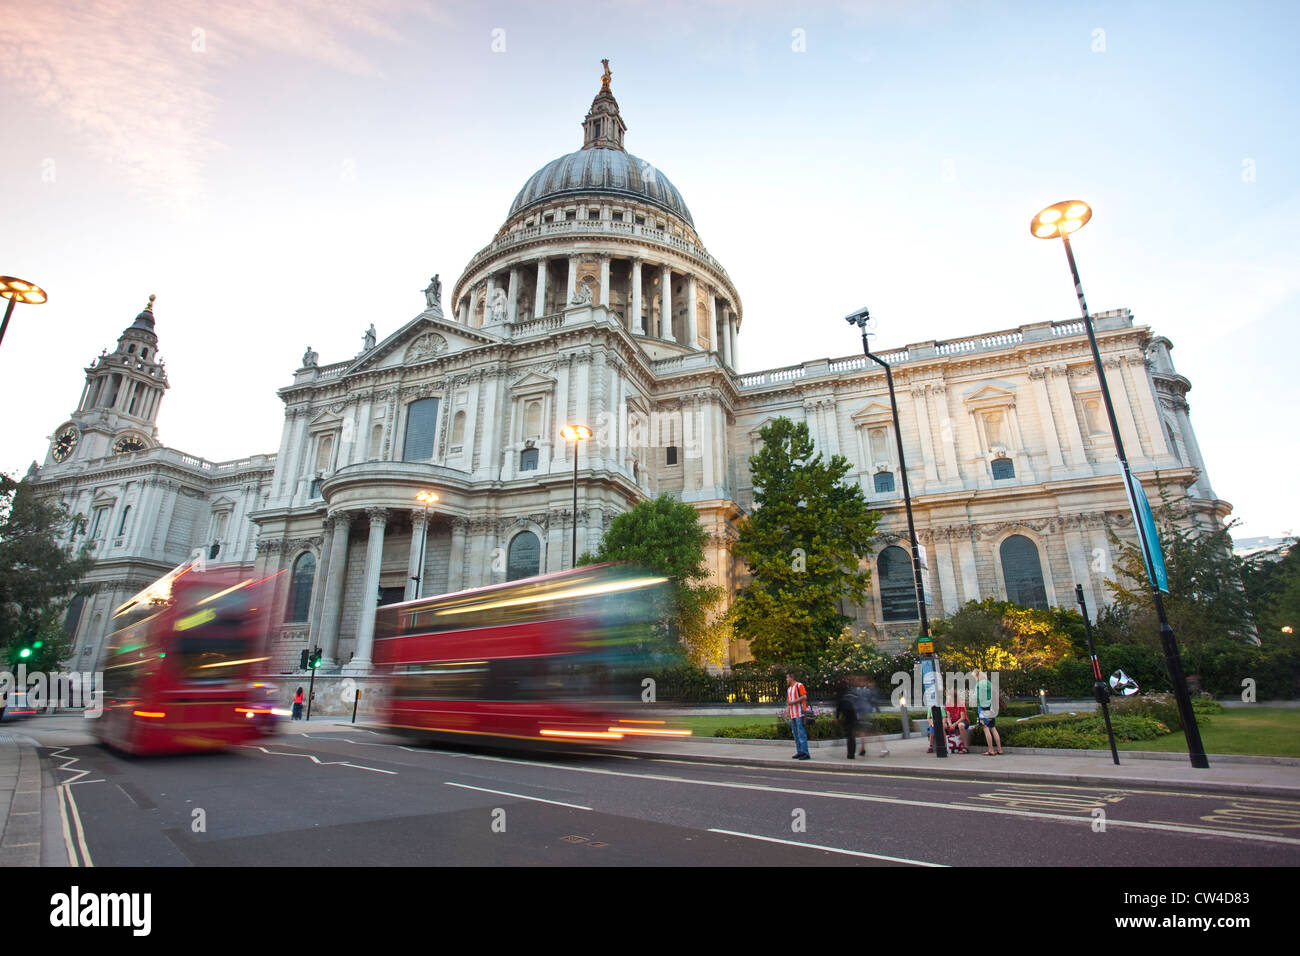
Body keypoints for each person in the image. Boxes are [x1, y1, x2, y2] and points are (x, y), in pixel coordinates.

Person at [976, 669, 1002, 755]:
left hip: (983, 709)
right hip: (991, 709)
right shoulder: (989, 684)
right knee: (993, 728)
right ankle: (999, 749)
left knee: (986, 728)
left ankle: (991, 749)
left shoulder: (978, 685)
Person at [786, 673, 810, 760]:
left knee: (801, 733)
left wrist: (793, 702)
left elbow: (804, 696)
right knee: (796, 734)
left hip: (800, 713)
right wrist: (787, 713)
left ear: (792, 678)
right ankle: (799, 751)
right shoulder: (789, 689)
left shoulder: (799, 685)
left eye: (787, 678)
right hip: (793, 714)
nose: (786, 680)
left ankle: (805, 752)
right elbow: (789, 701)